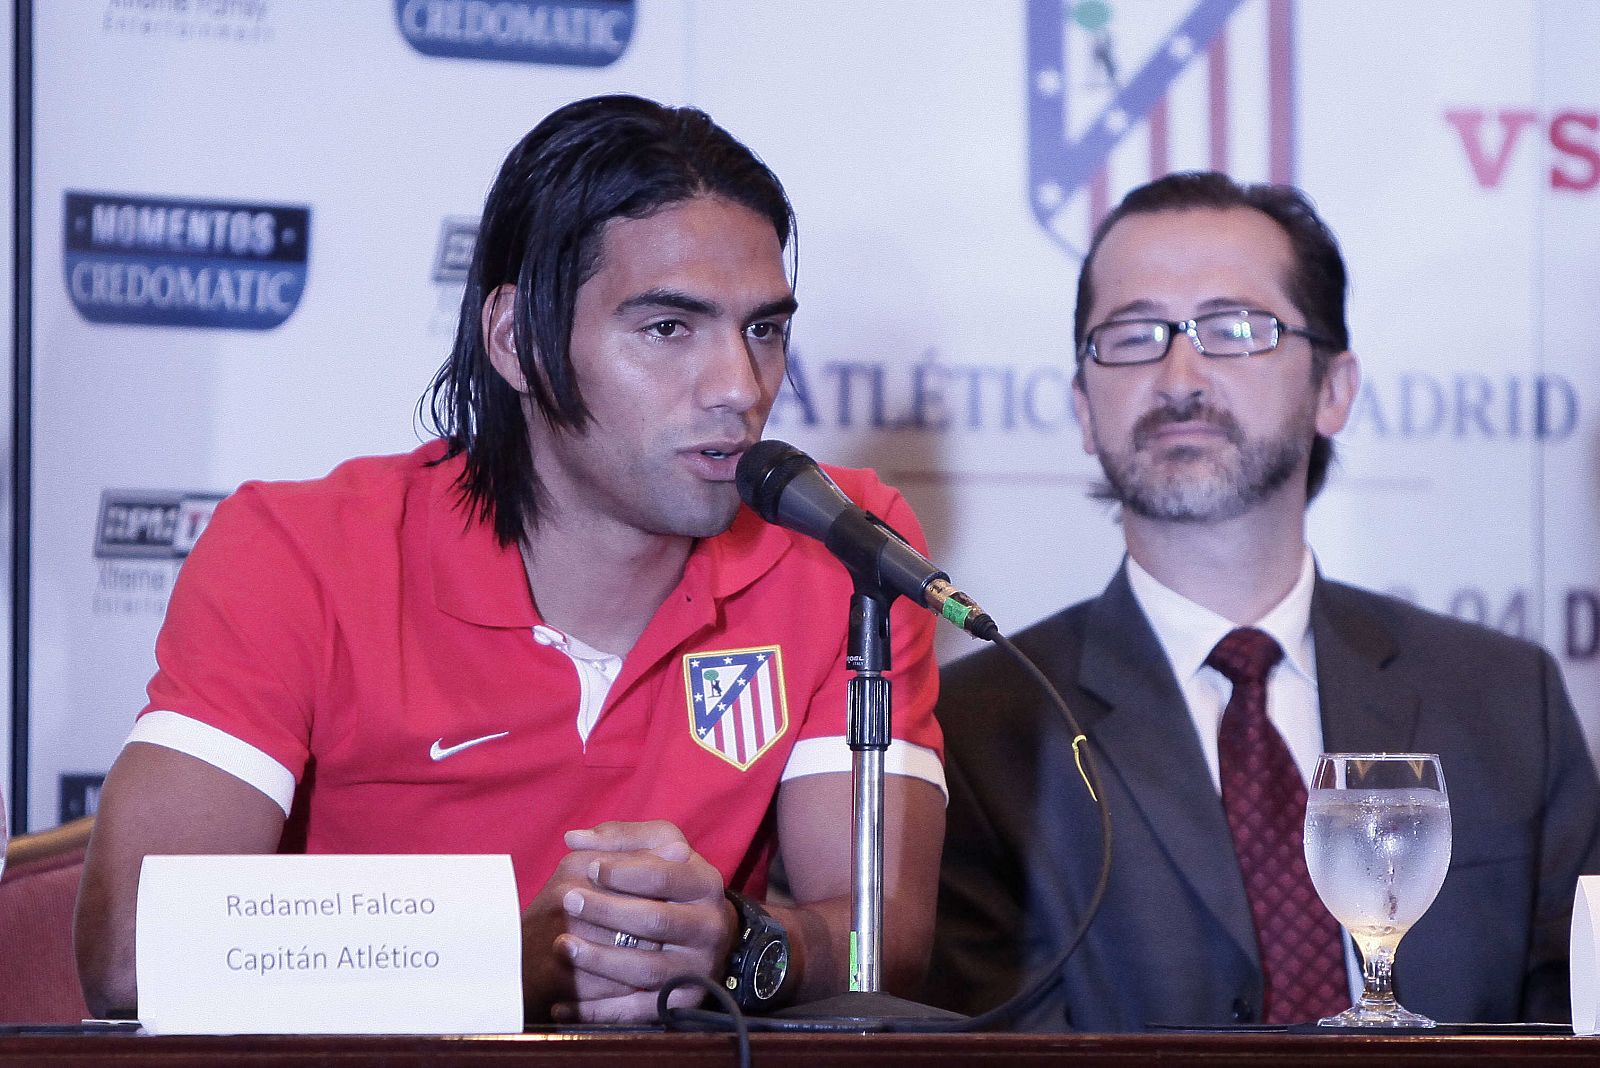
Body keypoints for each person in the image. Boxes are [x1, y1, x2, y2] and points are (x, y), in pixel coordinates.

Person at [75, 94, 946, 1024]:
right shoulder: (299, 553)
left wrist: (742, 946)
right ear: (516, 340)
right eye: (668, 329)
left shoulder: (840, 544)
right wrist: (516, 961)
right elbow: (132, 954)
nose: (739, 387)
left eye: (763, 330)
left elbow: (883, 938)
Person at [926, 171, 1600, 1031]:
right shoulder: (983, 731)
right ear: (1083, 409)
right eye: (1132, 336)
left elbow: (1573, 1023)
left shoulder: (1505, 702)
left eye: (1235, 329)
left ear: (1334, 389)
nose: (1180, 376)